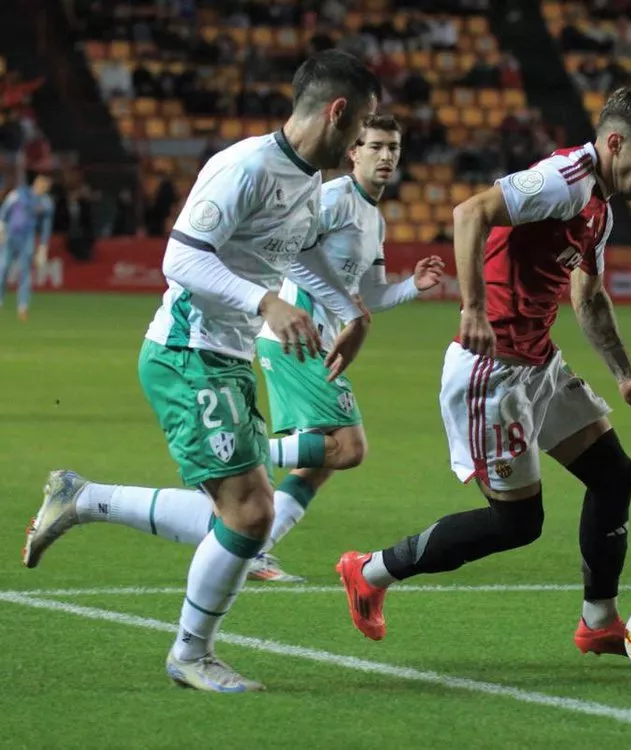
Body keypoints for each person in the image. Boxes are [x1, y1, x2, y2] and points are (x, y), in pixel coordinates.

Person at [21, 50, 381, 693]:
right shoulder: (243, 167)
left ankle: (82, 497)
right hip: (187, 351)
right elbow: (180, 259)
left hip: (227, 355)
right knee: (248, 513)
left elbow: (293, 253)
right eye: (365, 126)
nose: (363, 142)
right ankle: (191, 654)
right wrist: (264, 301)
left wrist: (345, 308)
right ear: (339, 112)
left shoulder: (301, 181)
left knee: (245, 512)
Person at [335, 87, 631, 657]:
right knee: (517, 524)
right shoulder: (565, 179)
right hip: (491, 373)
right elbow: (470, 212)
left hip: (538, 364)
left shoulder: (599, 206)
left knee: (614, 474)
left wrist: (624, 375)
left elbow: (589, 297)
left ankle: (598, 621)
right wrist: (471, 307)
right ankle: (370, 572)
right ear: (616, 143)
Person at [250, 113, 445, 582]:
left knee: (322, 462)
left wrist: (412, 287)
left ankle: (253, 549)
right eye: (375, 146)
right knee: (349, 448)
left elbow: (372, 295)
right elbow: (289, 253)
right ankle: (244, 455)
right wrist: (347, 309)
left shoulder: (372, 219)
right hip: (295, 334)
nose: (386, 156)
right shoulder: (333, 198)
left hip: (320, 339)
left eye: (393, 148)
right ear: (353, 152)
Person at [0, 172, 55, 320]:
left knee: (25, 273)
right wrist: (1, 228)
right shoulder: (19, 194)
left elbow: (46, 226)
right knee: (3, 268)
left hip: (27, 239)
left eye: (47, 185)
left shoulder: (46, 203)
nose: (44, 187)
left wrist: (43, 246)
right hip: (10, 236)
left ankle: (22, 306)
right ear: (36, 182)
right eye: (43, 183)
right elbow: (5, 209)